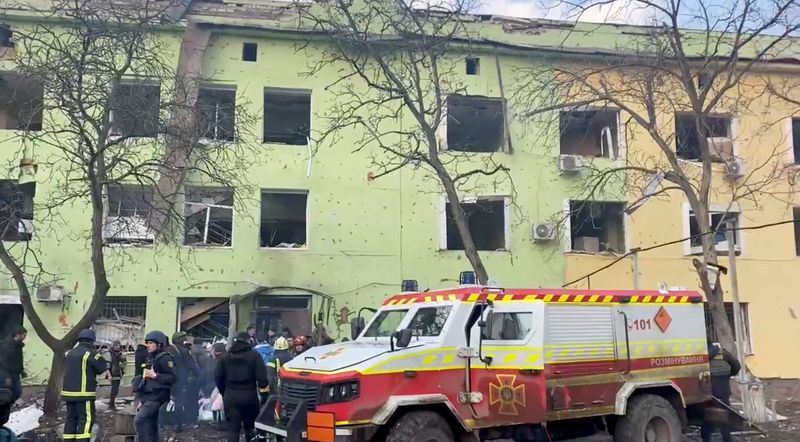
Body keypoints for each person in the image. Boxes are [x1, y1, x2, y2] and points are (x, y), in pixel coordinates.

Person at [215, 332, 269, 442]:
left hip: (231, 397)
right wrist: (264, 395)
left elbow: (218, 378)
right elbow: (262, 378)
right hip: (249, 397)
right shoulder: (254, 356)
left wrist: (224, 392)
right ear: (248, 341)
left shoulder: (225, 357)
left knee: (233, 430)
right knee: (250, 428)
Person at [62, 329, 109, 442]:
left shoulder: (69, 353)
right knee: (86, 419)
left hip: (68, 393)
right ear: (92, 341)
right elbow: (101, 367)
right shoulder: (90, 353)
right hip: (84, 394)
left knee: (71, 419)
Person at [134, 331, 175, 442]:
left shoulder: (165, 358)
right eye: (147, 343)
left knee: (140, 420)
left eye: (151, 343)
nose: (148, 345)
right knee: (152, 424)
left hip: (157, 396)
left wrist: (156, 376)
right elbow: (146, 380)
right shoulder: (150, 358)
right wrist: (142, 400)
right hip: (149, 396)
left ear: (159, 344)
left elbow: (173, 378)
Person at [701, 343, 741, 442]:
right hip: (724, 389)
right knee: (725, 416)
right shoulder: (723, 353)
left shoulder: (702, 355)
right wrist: (729, 374)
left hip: (709, 389)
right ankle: (726, 439)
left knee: (707, 416)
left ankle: (706, 439)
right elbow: (737, 366)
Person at [167, 331, 200, 432]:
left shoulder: (168, 350)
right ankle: (177, 424)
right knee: (179, 401)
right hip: (181, 380)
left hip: (167, 379)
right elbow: (194, 368)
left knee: (166, 401)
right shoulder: (185, 351)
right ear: (182, 340)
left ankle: (165, 422)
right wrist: (194, 376)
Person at [0, 326, 26, 405]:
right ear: (18, 335)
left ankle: (8, 406)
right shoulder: (7, 346)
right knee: (8, 393)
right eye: (24, 335)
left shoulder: (19, 346)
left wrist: (21, 371)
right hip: (8, 374)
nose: (25, 338)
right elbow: (3, 362)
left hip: (16, 373)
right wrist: (6, 377)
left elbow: (18, 360)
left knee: (17, 392)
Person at [103, 340, 126, 411]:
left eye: (119, 345)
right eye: (116, 345)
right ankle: (111, 404)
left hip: (118, 373)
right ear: (113, 346)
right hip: (112, 373)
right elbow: (107, 365)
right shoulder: (109, 353)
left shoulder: (120, 353)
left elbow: (124, 362)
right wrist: (109, 375)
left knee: (116, 389)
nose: (118, 347)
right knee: (114, 389)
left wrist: (123, 363)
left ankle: (112, 403)